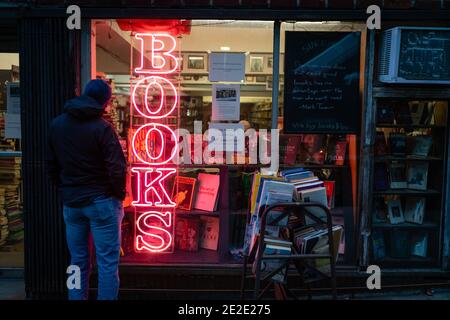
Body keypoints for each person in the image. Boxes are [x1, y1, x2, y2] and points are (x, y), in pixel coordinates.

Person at [47, 79, 126, 300]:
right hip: (101, 201)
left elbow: (50, 164)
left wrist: (65, 189)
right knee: (107, 263)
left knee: (77, 260)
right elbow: (116, 168)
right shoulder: (102, 128)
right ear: (105, 102)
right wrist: (117, 195)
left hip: (72, 203)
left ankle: (75, 297)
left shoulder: (57, 125)